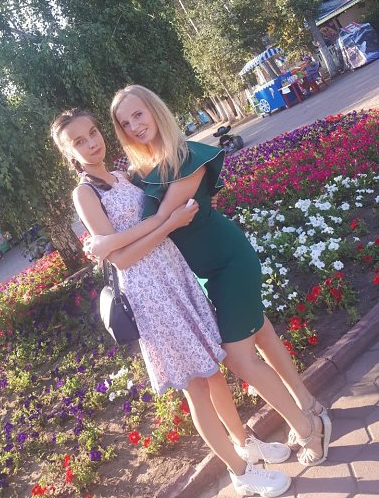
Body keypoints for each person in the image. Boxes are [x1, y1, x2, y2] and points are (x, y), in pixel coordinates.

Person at [86, 85, 332, 468]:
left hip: (227, 262)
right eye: (125, 122)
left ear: (155, 110)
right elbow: (139, 221)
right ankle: (308, 405)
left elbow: (162, 219)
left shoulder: (186, 158)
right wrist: (109, 243)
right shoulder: (139, 172)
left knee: (238, 359)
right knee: (262, 334)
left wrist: (106, 244)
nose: (134, 126)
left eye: (138, 114)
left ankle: (307, 429)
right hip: (200, 276)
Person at [51, 108, 292, 498]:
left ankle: (244, 442)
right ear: (69, 153)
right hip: (150, 295)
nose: (92, 143)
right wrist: (168, 224)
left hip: (174, 278)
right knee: (196, 387)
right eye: (79, 141)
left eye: (93, 132)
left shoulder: (121, 176)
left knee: (212, 371)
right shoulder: (85, 193)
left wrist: (146, 229)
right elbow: (123, 259)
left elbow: (125, 237)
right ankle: (240, 472)